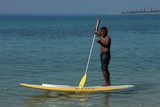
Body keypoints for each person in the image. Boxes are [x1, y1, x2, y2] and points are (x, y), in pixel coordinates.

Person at [95, 19, 111, 86]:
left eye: (104, 31)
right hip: (102, 54)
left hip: (106, 55)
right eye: (101, 31)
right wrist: (97, 22)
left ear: (106, 32)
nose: (102, 33)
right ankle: (107, 82)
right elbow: (95, 31)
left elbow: (106, 45)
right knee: (103, 69)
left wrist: (100, 42)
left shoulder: (108, 38)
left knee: (104, 69)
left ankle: (107, 83)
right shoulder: (101, 35)